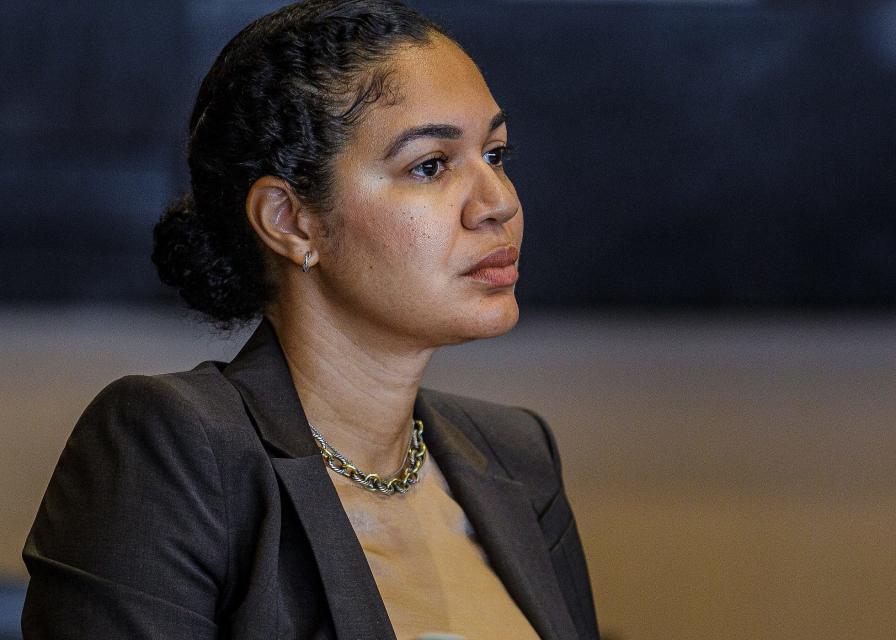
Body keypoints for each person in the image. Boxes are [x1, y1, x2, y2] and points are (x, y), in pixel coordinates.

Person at [21, 1, 599, 638]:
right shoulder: (174, 443)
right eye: (429, 165)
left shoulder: (516, 454)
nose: (499, 203)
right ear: (289, 220)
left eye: (495, 155)